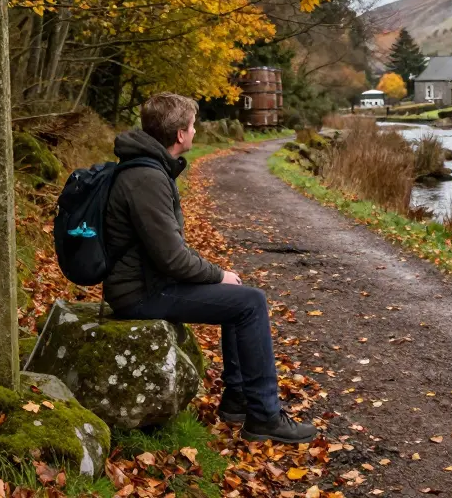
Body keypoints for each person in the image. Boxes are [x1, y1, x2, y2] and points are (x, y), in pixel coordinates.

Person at [102, 92, 318, 444]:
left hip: (147, 282)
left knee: (240, 296)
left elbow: (166, 252)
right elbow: (172, 258)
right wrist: (218, 274)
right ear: (179, 135)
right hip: (141, 293)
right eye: (192, 126)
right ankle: (264, 416)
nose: (196, 132)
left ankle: (237, 399)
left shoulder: (148, 169)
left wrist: (220, 276)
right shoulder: (147, 178)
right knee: (251, 303)